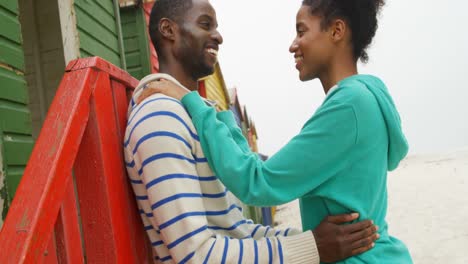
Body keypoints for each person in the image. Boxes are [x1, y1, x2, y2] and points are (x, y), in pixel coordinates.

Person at [138, 0, 413, 263]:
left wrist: (194, 104)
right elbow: (256, 177)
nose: (293, 44)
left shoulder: (349, 107)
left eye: (301, 31)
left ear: (336, 31)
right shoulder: (364, 100)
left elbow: (258, 183)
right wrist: (222, 119)